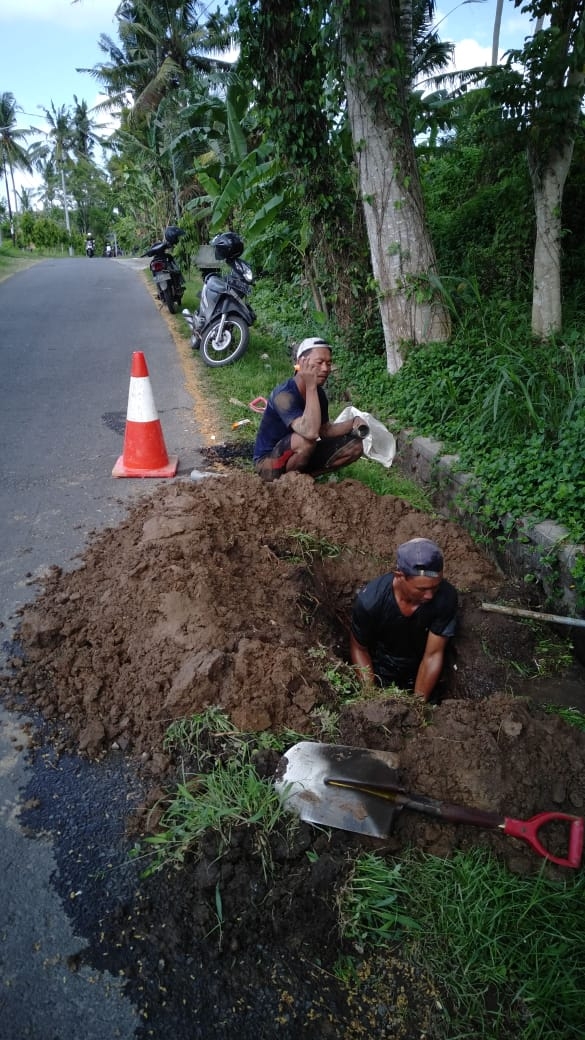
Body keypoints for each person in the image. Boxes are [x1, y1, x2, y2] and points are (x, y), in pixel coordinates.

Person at [349, 538, 458, 703]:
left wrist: (418, 704)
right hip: (382, 670)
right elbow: (359, 649)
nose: (429, 595)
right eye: (422, 589)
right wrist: (370, 697)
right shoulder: (371, 601)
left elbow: (433, 655)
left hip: (422, 672)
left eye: (435, 587)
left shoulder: (445, 598)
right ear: (400, 576)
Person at [253, 337, 367, 481]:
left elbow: (324, 430)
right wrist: (311, 386)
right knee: (305, 441)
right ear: (301, 363)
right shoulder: (283, 395)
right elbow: (311, 432)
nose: (325, 369)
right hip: (268, 465)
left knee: (355, 446)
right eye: (319, 363)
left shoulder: (319, 394)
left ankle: (305, 479)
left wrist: (353, 422)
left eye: (329, 363)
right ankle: (287, 483)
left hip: (298, 454)